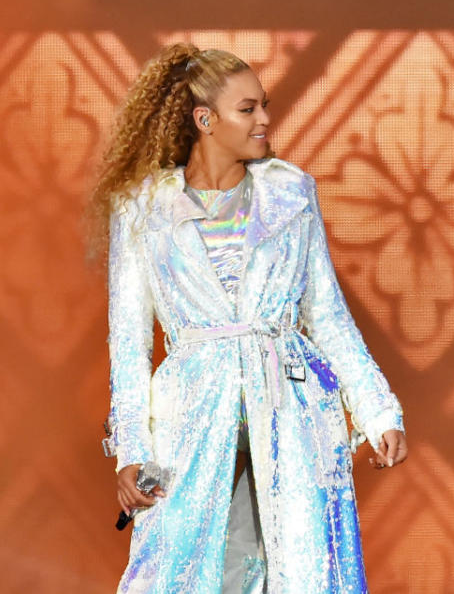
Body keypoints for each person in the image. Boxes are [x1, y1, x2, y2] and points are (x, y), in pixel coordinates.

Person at [88, 43, 407, 593]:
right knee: (178, 567)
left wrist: (378, 412)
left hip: (292, 406)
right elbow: (129, 342)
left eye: (265, 106)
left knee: (298, 566)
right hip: (189, 415)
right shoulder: (144, 209)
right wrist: (133, 450)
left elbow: (328, 317)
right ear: (204, 120)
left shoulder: (292, 193)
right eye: (248, 108)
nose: (265, 120)